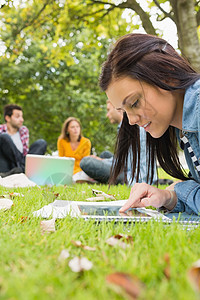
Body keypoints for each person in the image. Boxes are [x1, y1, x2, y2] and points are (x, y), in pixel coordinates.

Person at [99, 33, 200, 215]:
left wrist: (181, 191)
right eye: (123, 111)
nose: (131, 120)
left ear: (167, 75)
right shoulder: (183, 131)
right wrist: (167, 197)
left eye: (134, 103)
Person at [80, 100, 158, 185]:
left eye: (108, 110)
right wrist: (102, 160)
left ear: (118, 109)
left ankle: (113, 179)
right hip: (131, 169)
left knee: (86, 162)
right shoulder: (127, 127)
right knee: (104, 154)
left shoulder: (130, 128)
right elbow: (126, 158)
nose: (107, 115)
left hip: (134, 176)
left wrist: (103, 161)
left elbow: (127, 163)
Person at [0, 104, 47, 177]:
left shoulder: (23, 130)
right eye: (17, 116)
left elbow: (25, 153)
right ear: (8, 118)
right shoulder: (1, 129)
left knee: (41, 143)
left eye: (22, 117)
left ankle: (20, 170)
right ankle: (21, 171)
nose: (22, 119)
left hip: (22, 160)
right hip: (7, 163)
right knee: (4, 137)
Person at [57, 117, 94, 183]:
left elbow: (85, 162)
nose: (75, 129)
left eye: (77, 127)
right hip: (67, 170)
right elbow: (61, 160)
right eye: (72, 127)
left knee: (83, 176)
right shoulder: (61, 141)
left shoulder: (86, 142)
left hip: (81, 171)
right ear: (67, 130)